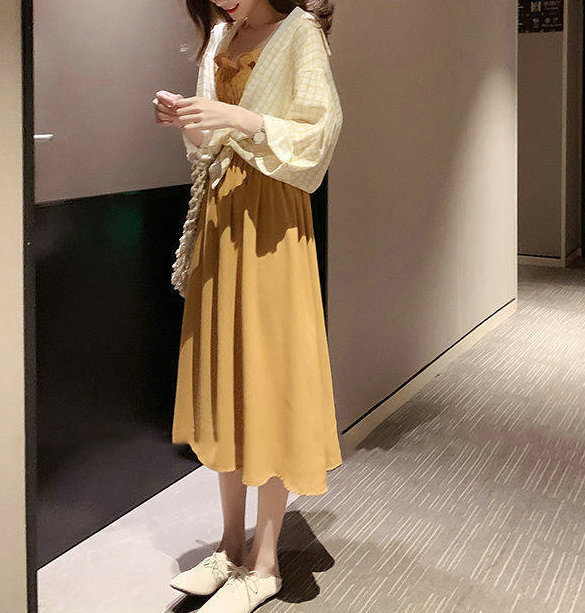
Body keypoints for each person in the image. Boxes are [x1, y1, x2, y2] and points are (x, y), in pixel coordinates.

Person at [152, 1, 343, 611]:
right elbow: (212, 143)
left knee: (270, 375)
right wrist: (187, 120)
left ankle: (265, 562)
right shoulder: (222, 34)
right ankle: (230, 545)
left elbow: (319, 133)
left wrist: (239, 116)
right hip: (222, 215)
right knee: (225, 376)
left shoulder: (300, 31)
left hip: (271, 220)